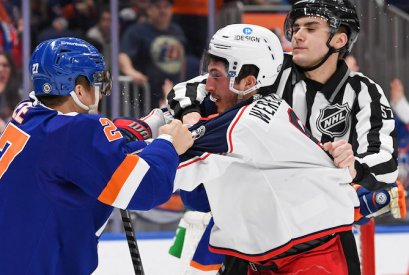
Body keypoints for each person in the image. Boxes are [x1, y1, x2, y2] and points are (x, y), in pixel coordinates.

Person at [167, 1, 403, 271]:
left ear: (340, 39)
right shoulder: (270, 69)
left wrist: (353, 167)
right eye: (296, 27)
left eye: (311, 28)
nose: (297, 34)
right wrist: (191, 115)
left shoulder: (364, 91)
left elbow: (385, 161)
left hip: (320, 239)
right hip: (249, 235)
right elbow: (188, 89)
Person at [0, 37, 193, 275]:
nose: (102, 93)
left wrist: (149, 124)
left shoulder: (28, 113)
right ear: (79, 90)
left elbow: (86, 149)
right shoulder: (74, 134)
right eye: (98, 83)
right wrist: (168, 143)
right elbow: (144, 187)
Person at [119, 0, 187, 109]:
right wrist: (130, 72)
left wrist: (180, 82)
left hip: (172, 95)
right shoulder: (137, 31)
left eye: (166, 7)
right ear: (149, 9)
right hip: (144, 99)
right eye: (158, 6)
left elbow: (182, 60)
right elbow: (123, 56)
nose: (162, 10)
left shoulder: (177, 31)